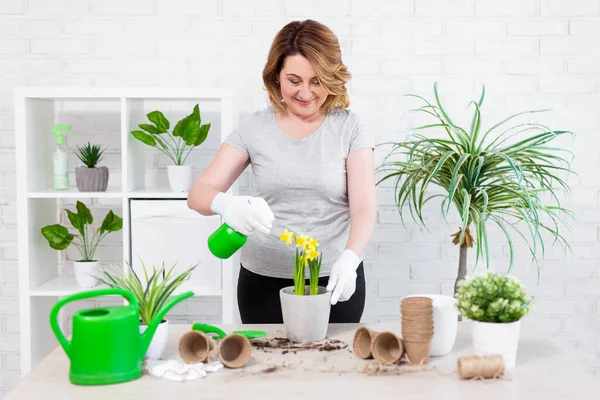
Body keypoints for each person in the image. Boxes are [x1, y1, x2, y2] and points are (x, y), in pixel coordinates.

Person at [187, 19, 376, 324]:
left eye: (317, 81)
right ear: (276, 78)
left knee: (334, 369)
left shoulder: (349, 127)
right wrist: (224, 204)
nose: (305, 92)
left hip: (333, 280)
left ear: (332, 78)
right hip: (262, 284)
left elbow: (364, 208)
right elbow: (197, 194)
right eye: (294, 80)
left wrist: (351, 258)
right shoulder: (255, 128)